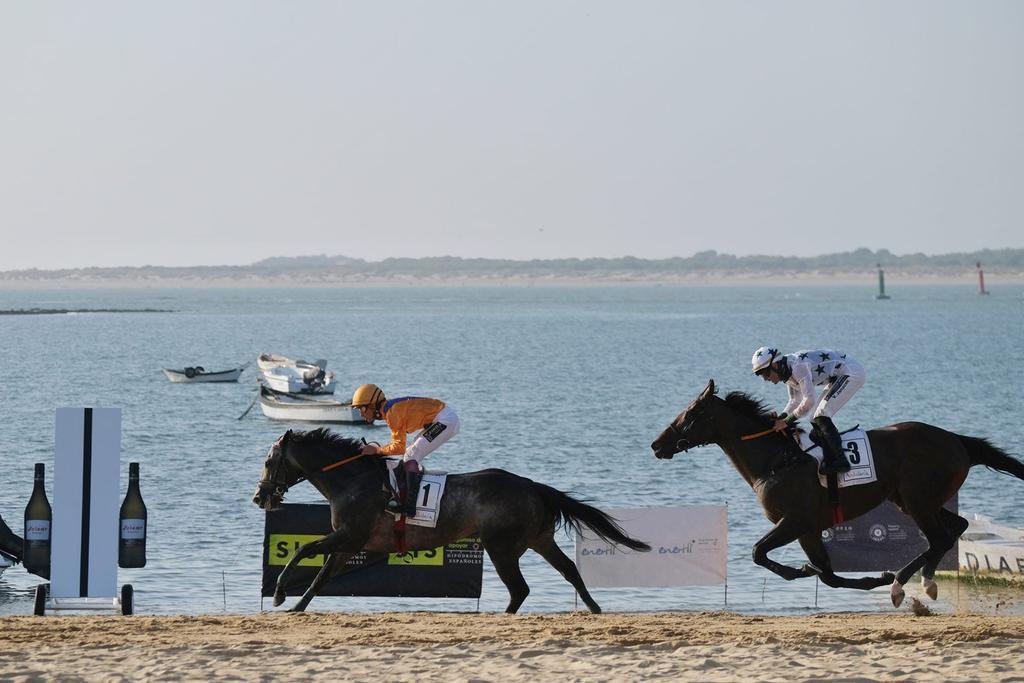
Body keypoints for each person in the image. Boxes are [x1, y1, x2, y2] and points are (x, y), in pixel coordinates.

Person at [751, 346, 866, 475]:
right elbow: (795, 401)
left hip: (851, 372)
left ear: (775, 365)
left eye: (766, 374)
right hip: (837, 376)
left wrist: (787, 421)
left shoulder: (797, 367)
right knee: (814, 420)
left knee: (821, 415)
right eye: (762, 376)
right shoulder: (787, 373)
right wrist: (782, 417)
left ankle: (841, 461)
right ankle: (830, 456)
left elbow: (809, 400)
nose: (766, 379)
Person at [351, 384, 461, 517]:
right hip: (443, 418)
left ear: (373, 405)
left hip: (445, 420)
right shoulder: (391, 410)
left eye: (362, 408)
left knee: (411, 455)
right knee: (410, 454)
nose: (362, 414)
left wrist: (377, 450)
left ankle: (410, 506)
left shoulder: (392, 413)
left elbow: (399, 448)